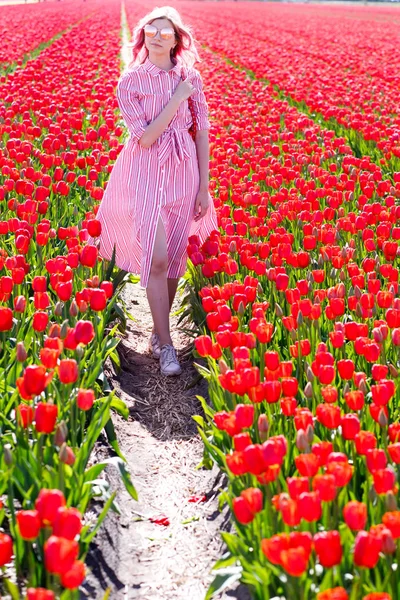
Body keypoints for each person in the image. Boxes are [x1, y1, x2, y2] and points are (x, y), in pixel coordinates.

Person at [86, 6, 218, 376]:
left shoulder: (191, 77)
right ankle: (168, 349)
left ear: (178, 39)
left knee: (175, 257)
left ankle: (159, 336)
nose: (158, 35)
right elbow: (143, 137)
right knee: (157, 259)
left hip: (184, 170)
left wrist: (204, 186)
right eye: (151, 29)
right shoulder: (130, 81)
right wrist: (176, 98)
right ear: (142, 36)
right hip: (144, 170)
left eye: (166, 31)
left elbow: (202, 132)